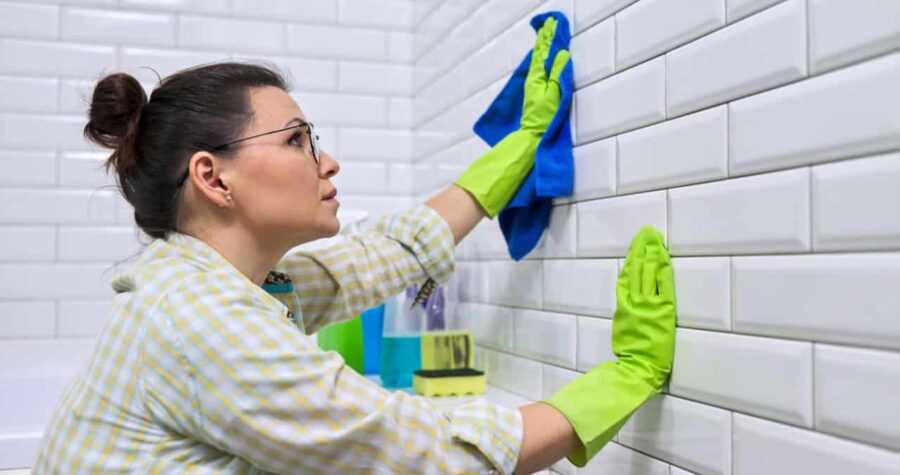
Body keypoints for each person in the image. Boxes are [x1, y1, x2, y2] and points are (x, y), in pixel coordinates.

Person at [33, 20, 675, 475]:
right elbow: (426, 456)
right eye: (297, 139)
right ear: (213, 177)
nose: (327, 161)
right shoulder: (202, 322)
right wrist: (621, 383)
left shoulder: (224, 283)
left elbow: (372, 261)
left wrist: (518, 150)